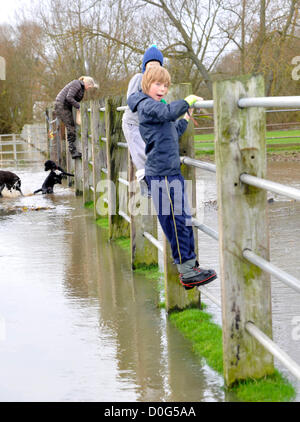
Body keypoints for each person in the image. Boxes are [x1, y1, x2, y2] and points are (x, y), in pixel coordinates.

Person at [127, 66, 217, 290]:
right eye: (158, 84)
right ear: (146, 85)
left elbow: (171, 130)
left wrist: (185, 117)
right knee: (176, 222)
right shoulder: (146, 106)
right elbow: (167, 114)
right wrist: (187, 101)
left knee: (182, 219)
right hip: (162, 174)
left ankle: (190, 268)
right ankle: (187, 271)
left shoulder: (158, 107)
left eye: (165, 85)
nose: (163, 89)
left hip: (170, 171)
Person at [122, 45, 163, 195]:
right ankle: (147, 186)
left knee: (151, 154)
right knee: (140, 155)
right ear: (145, 66)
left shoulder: (158, 84)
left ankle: (153, 184)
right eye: (150, 65)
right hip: (133, 123)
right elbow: (131, 99)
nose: (153, 69)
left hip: (147, 126)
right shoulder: (139, 79)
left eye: (156, 66)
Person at [54, 76, 99, 159]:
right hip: (61, 106)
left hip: (66, 106)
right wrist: (78, 107)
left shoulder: (80, 86)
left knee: (71, 126)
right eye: (89, 87)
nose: (89, 89)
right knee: (70, 127)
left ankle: (73, 150)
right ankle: (73, 151)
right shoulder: (77, 84)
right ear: (87, 84)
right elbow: (69, 97)